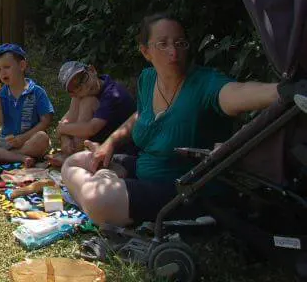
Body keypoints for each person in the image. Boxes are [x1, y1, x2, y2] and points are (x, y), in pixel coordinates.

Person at [61, 13, 279, 226]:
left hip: (185, 189)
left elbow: (237, 93)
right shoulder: (148, 79)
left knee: (96, 198)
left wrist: (279, 91)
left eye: (180, 43)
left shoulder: (205, 84)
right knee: (75, 161)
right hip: (145, 171)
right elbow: (141, 115)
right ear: (146, 52)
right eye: (163, 44)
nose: (173, 52)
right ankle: (109, 182)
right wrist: (109, 143)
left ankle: (106, 187)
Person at [0, 43, 55, 167]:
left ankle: (2, 157)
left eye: (6, 67)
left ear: (22, 66)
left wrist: (22, 138)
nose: (2, 73)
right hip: (5, 141)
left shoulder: (37, 92)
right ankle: (20, 157)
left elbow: (46, 121)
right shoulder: (1, 93)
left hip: (28, 140)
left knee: (42, 138)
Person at [46, 60, 135, 168]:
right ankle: (71, 154)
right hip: (98, 145)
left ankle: (72, 156)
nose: (85, 87)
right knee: (80, 99)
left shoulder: (112, 93)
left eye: (83, 78)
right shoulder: (79, 96)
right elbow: (65, 122)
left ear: (92, 70)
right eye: (77, 87)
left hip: (121, 151)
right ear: (71, 94)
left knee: (87, 101)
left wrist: (62, 129)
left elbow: (91, 128)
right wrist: (65, 138)